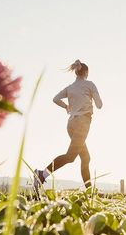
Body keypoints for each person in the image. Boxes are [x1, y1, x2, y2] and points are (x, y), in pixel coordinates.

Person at [34, 59, 102, 190]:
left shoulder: (70, 87)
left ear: (76, 72)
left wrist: (66, 106)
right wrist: (93, 97)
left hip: (71, 124)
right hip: (83, 123)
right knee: (71, 157)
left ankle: (89, 191)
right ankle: (41, 174)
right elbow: (99, 105)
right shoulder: (90, 84)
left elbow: (55, 99)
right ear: (86, 72)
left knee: (85, 157)